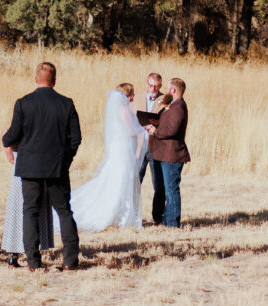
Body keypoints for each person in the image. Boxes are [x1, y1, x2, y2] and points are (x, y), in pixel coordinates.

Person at [2, 62, 82, 271]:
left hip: (29, 166)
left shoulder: (23, 103)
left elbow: (13, 135)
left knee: (30, 211)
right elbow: (76, 138)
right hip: (57, 166)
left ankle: (34, 261)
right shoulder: (66, 103)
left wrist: (5, 140)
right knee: (64, 211)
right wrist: (66, 159)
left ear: (35, 79)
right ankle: (70, 260)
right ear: (54, 81)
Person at [66, 84, 148, 233]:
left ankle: (121, 214)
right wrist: (145, 128)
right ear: (126, 95)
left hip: (119, 147)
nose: (134, 97)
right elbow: (131, 130)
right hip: (123, 150)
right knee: (122, 179)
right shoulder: (123, 109)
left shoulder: (117, 109)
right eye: (132, 94)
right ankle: (118, 214)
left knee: (119, 179)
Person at [146, 77, 191, 228]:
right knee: (166, 189)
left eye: (167, 89)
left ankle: (172, 223)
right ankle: (166, 219)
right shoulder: (172, 105)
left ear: (173, 90)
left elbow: (171, 129)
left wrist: (155, 131)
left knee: (171, 190)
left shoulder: (178, 107)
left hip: (172, 156)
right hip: (164, 154)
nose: (165, 91)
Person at [135, 73, 163, 195]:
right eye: (151, 85)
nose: (153, 89)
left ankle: (158, 214)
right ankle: (132, 212)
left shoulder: (165, 100)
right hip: (139, 145)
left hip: (155, 146)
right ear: (146, 84)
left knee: (158, 183)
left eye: (156, 86)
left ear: (160, 86)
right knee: (135, 181)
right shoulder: (136, 98)